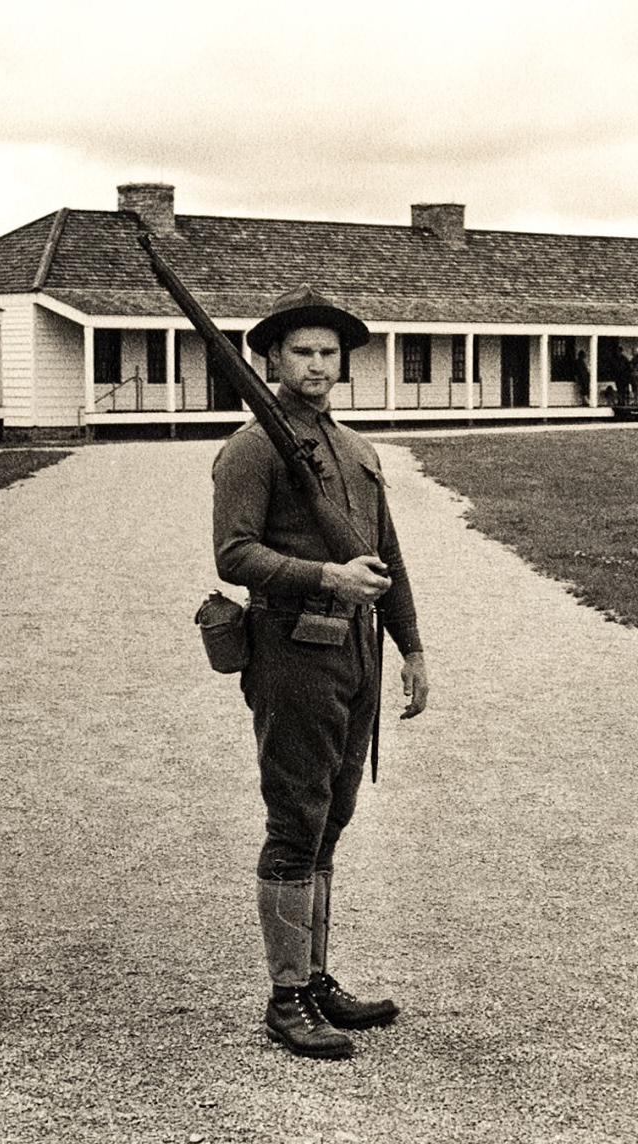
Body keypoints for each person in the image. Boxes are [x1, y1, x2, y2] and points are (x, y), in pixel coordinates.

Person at [212, 285, 431, 1061]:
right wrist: (327, 577)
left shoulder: (355, 449)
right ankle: (284, 998)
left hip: (358, 653)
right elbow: (234, 555)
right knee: (295, 819)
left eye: (328, 352)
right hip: (292, 650)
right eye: (301, 351)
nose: (316, 364)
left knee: (331, 817)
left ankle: (314, 977)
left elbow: (390, 556)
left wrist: (412, 647)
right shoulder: (252, 449)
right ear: (272, 360)